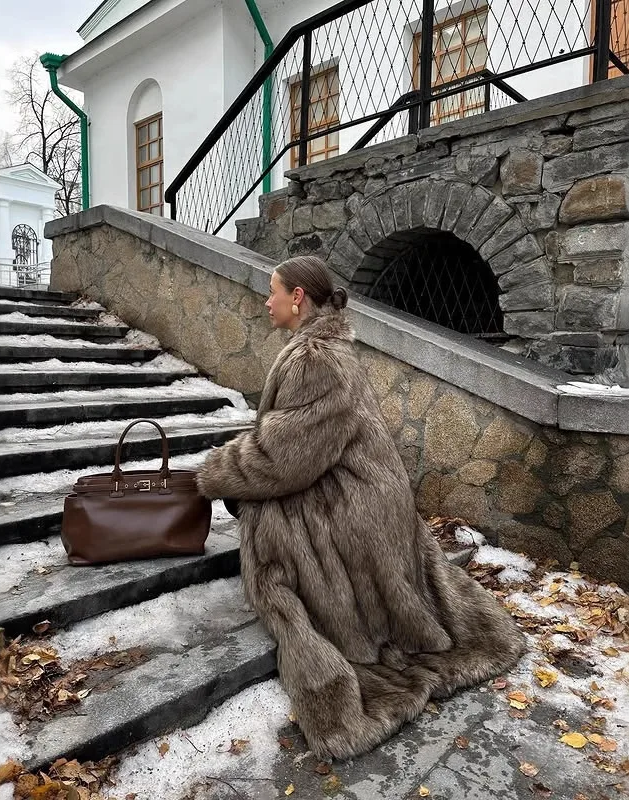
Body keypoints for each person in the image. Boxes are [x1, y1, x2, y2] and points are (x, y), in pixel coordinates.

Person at [196, 255, 524, 760]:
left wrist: (213, 474)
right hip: (367, 495)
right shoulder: (323, 348)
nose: (267, 301)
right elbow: (296, 444)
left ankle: (355, 646)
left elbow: (282, 459)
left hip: (357, 507)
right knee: (262, 504)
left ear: (298, 297)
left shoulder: (315, 359)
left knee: (267, 521)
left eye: (273, 291)